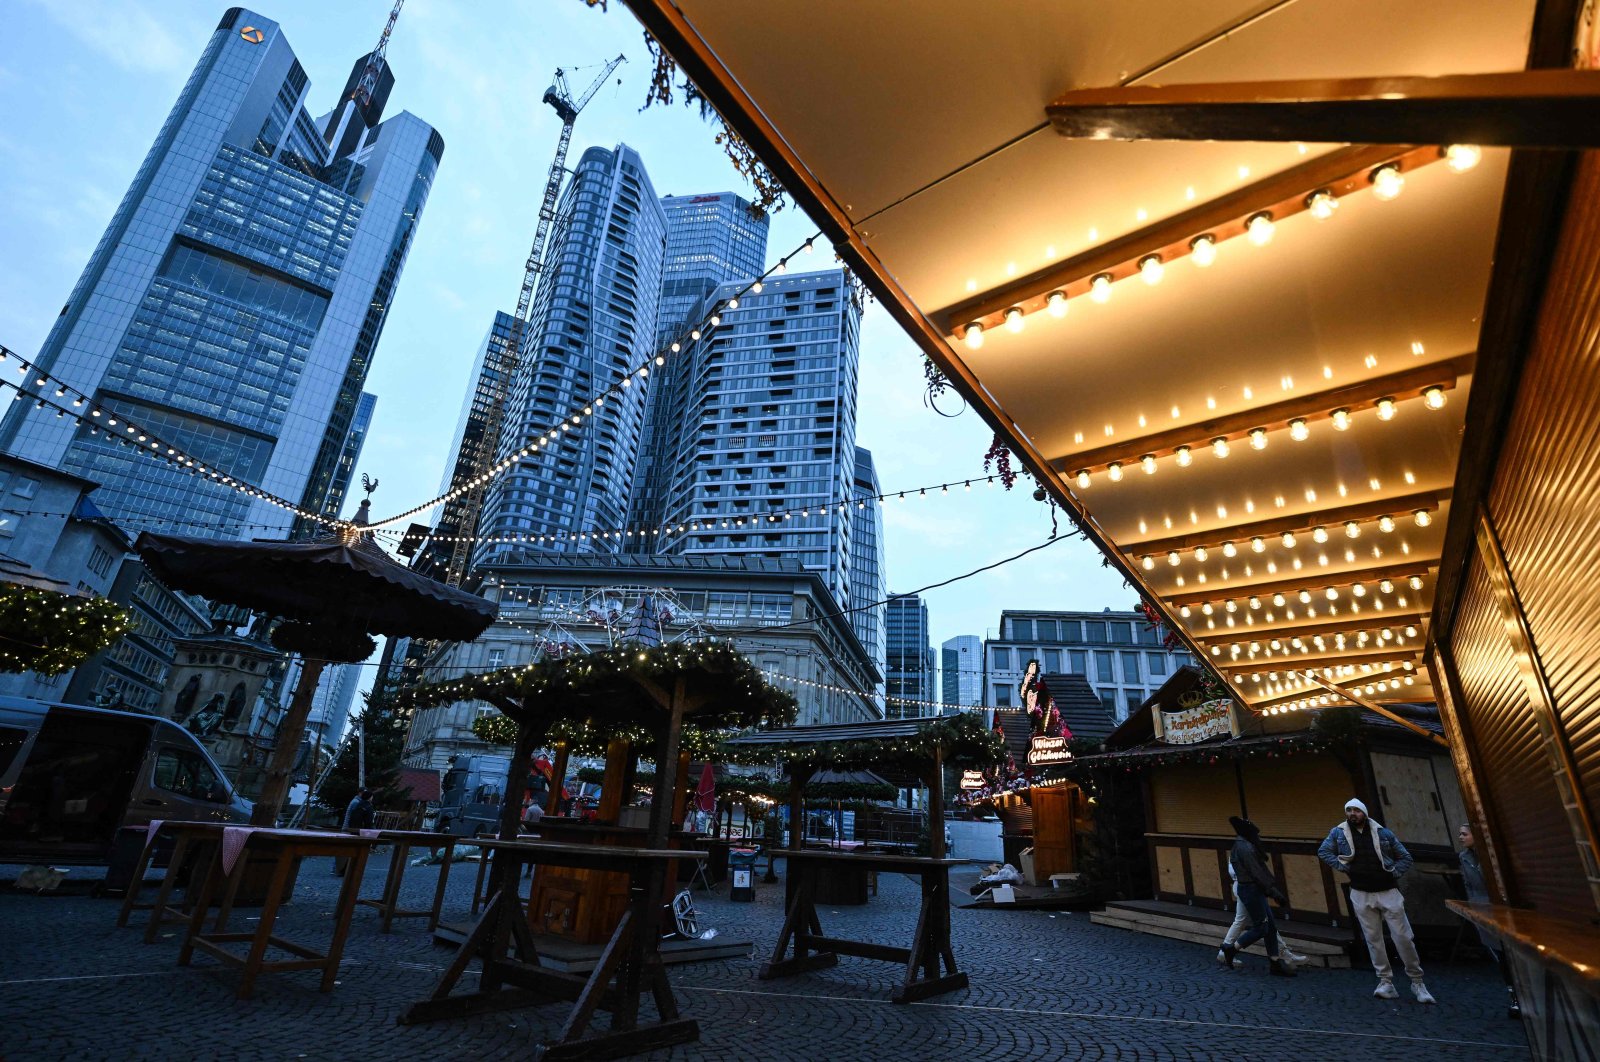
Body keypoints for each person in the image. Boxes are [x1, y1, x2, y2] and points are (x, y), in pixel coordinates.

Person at [1317, 797, 1435, 1004]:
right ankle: (1385, 981)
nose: (1352, 814)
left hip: (1388, 890)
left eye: (1356, 810)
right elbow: (1324, 851)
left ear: (1364, 812)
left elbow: (1404, 856)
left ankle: (1417, 981)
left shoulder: (1383, 833)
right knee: (1373, 940)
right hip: (1361, 891)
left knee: (1403, 937)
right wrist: (1343, 867)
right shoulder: (1338, 832)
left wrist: (1393, 873)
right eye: (1349, 810)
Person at [1458, 822, 1521, 1019]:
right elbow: (1468, 884)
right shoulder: (1463, 857)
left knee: (1512, 953)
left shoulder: (1491, 856)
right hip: (1481, 907)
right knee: (1501, 955)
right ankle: (1514, 995)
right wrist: (1473, 904)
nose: (1460, 837)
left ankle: (1521, 995)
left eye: (1464, 834)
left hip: (1500, 908)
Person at [1219, 816, 1296, 976]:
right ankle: (1231, 949)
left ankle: (1274, 962)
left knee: (1270, 927)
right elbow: (1258, 872)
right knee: (1261, 927)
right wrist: (1274, 892)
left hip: (1252, 889)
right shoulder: (1245, 848)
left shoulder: (1244, 846)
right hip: (1250, 890)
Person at [334, 789, 375, 877]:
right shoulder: (365, 806)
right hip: (358, 830)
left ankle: (343, 870)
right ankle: (347, 870)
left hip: (353, 829)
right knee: (355, 851)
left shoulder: (358, 803)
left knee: (351, 850)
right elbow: (368, 821)